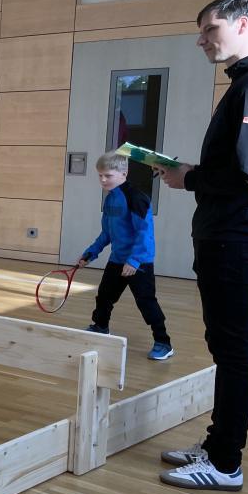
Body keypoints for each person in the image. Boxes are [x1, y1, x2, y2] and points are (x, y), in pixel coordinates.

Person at [158, 0, 248, 492]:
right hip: (231, 234)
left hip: (235, 236)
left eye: (209, 29)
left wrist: (188, 177)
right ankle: (218, 446)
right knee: (226, 346)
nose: (201, 40)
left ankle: (224, 464)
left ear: (242, 25)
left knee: (234, 350)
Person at [77, 153, 173, 361]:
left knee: (146, 302)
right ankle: (101, 327)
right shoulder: (111, 198)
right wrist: (91, 252)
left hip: (139, 262)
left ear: (124, 173)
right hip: (118, 260)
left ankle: (163, 342)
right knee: (104, 297)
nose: (103, 180)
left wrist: (134, 260)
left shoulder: (136, 198)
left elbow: (144, 234)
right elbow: (107, 233)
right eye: (100, 175)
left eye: (108, 175)